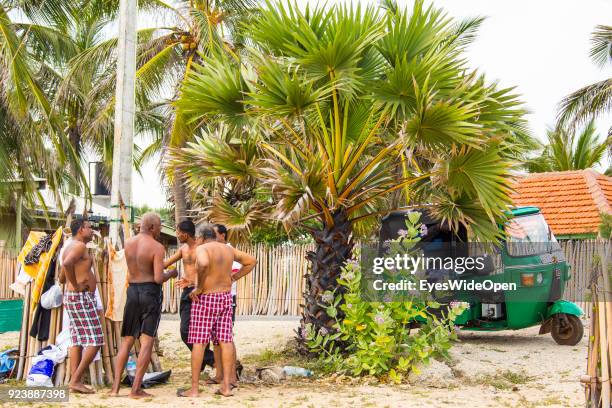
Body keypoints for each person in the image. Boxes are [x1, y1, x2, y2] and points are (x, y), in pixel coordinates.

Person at [178, 224, 256, 398]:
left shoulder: (202, 249)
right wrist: (234, 277)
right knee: (225, 340)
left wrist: (199, 287)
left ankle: (194, 389)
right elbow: (252, 261)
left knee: (199, 342)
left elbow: (204, 263)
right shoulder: (227, 250)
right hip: (225, 297)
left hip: (206, 298)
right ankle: (226, 387)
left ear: (200, 237)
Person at [109, 213, 178, 398]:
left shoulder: (129, 243)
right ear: (153, 227)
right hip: (149, 293)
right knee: (146, 341)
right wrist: (171, 273)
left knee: (127, 340)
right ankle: (135, 389)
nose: (160, 230)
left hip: (132, 292)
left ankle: (115, 389)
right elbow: (157, 278)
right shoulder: (157, 247)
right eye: (160, 226)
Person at [61, 219, 103, 394]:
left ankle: (75, 380)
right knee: (96, 339)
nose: (92, 230)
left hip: (74, 297)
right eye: (89, 228)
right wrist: (77, 285)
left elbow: (62, 277)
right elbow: (67, 265)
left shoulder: (69, 247)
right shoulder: (79, 247)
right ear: (80, 230)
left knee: (77, 340)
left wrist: (72, 283)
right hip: (80, 297)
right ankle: (75, 380)